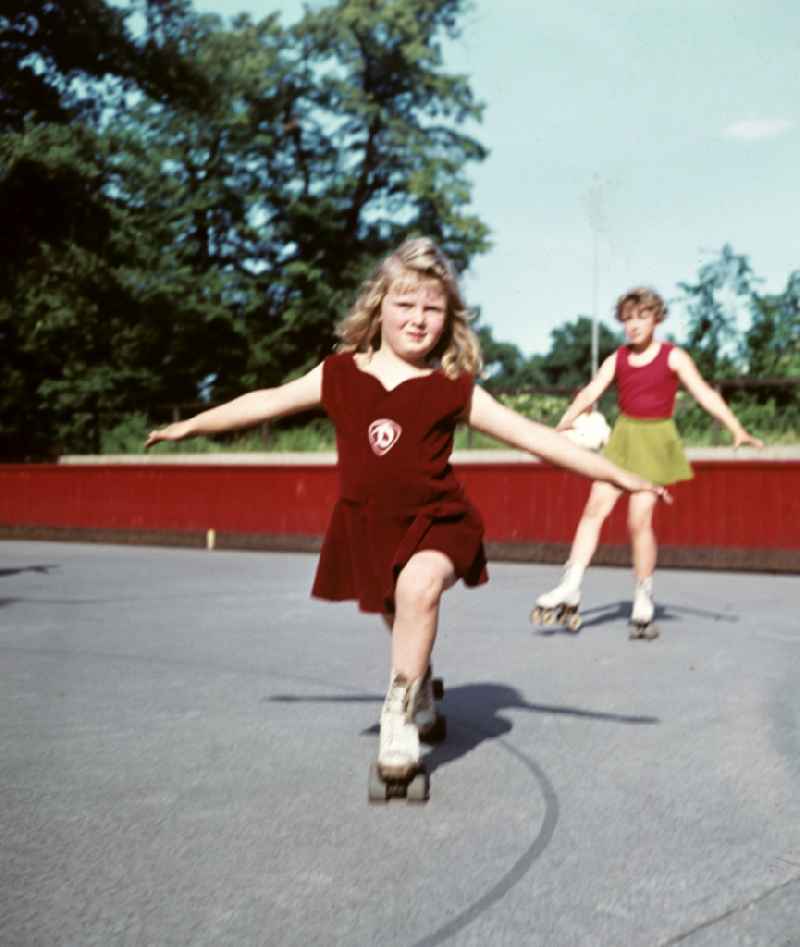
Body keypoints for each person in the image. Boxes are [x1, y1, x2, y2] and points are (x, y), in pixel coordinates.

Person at [145, 240, 668, 795]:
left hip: (439, 521)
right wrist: (191, 425)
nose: (418, 319)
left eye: (432, 309)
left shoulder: (453, 388)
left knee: (419, 588)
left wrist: (619, 474)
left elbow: (537, 437)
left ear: (448, 319)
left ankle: (397, 721)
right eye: (406, 305)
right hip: (370, 527)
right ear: (378, 307)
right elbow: (263, 400)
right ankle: (418, 688)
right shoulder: (338, 374)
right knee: (400, 614)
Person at [533, 286, 763, 640]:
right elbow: (591, 392)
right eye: (627, 319)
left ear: (656, 318)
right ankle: (571, 586)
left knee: (638, 521)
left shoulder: (673, 357)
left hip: (656, 443)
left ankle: (643, 597)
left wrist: (737, 429)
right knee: (594, 509)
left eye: (641, 317)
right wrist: (561, 425)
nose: (634, 325)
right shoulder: (617, 359)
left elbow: (703, 393)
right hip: (623, 440)